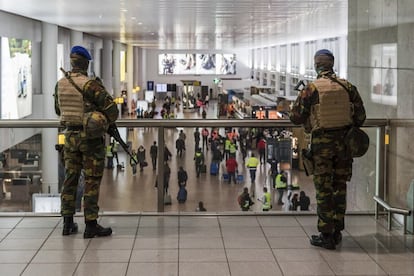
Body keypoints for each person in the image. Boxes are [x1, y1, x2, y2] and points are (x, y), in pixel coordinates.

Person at [289, 49, 366, 250]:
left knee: (324, 189)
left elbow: (295, 116)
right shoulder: (348, 87)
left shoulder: (311, 89)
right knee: (340, 187)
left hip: (321, 146)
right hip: (344, 146)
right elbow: (360, 117)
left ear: (316, 65)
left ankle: (325, 234)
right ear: (332, 64)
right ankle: (337, 231)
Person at [54, 45, 118, 238]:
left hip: (70, 137)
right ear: (86, 63)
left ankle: (67, 223)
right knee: (91, 180)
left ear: (72, 62)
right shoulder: (90, 85)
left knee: (70, 179)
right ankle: (90, 225)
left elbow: (58, 111)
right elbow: (113, 111)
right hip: (90, 139)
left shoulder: (60, 84)